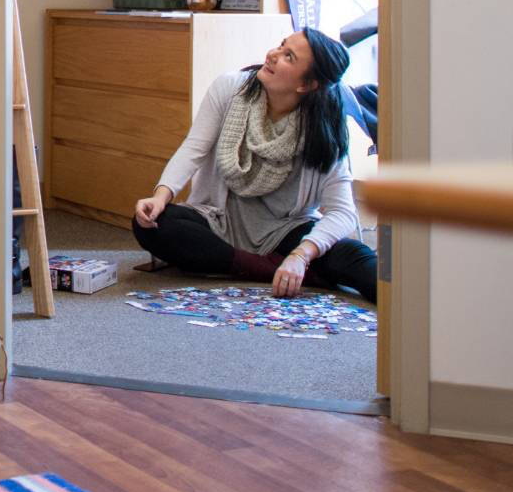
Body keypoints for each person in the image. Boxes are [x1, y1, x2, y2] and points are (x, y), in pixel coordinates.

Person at [132, 28, 378, 302]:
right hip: (220, 221)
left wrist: (301, 254)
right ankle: (268, 269)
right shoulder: (229, 88)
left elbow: (342, 212)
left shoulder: (325, 127)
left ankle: (268, 266)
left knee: (354, 257)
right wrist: (160, 195)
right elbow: (194, 148)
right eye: (281, 45)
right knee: (150, 224)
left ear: (306, 85)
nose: (273, 55)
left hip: (285, 231)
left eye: (289, 57)